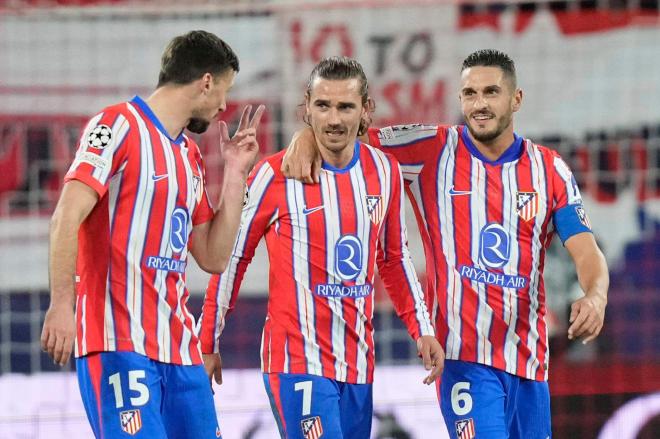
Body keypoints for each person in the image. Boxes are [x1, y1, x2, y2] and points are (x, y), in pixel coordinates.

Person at [281, 49, 609, 438]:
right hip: (461, 358)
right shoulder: (430, 148)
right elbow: (344, 131)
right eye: (470, 94)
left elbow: (586, 249)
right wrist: (306, 135)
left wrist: (596, 295)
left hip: (529, 361)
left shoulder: (549, 169)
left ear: (516, 99)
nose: (480, 104)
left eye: (491, 92)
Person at [197, 56, 444, 439]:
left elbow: (393, 258)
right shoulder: (274, 175)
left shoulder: (385, 171)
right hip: (296, 361)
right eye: (323, 105)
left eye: (345, 107)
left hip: (358, 365)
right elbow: (232, 256)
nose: (333, 119)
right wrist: (208, 338)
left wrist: (422, 328)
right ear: (307, 108)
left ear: (365, 110)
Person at [40, 30, 265, 438]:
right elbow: (65, 216)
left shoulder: (188, 154)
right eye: (224, 92)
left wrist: (235, 175)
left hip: (180, 350)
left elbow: (212, 256)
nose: (223, 106)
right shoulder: (116, 125)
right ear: (206, 81)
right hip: (117, 342)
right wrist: (61, 304)